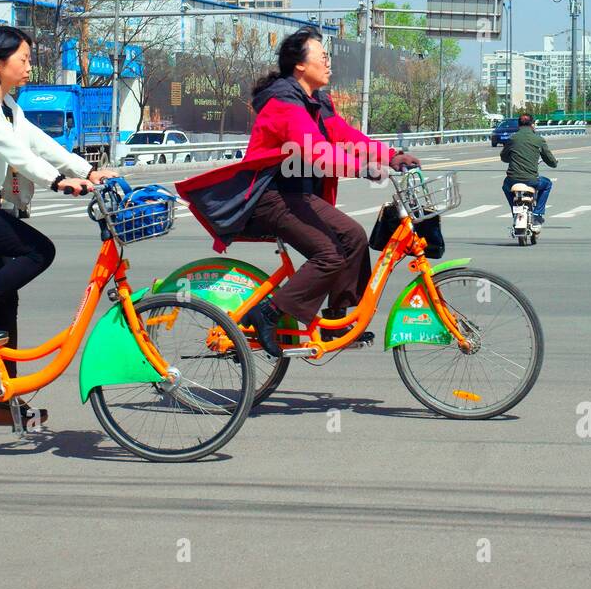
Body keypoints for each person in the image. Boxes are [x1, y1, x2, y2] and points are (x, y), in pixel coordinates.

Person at [177, 28, 419, 358]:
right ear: (300, 66)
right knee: (330, 253)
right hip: (269, 197)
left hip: (299, 197)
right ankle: (268, 314)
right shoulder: (283, 103)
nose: (328, 62)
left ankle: (336, 318)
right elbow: (316, 150)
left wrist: (389, 156)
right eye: (322, 56)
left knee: (354, 236)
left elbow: (344, 135)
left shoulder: (316, 100)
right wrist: (362, 168)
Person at [0, 25, 120, 425]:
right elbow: (14, 152)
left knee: (7, 299)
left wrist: (88, 170)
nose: (29, 66)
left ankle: (4, 402)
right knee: (39, 251)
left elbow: (37, 142)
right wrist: (56, 181)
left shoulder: (7, 105)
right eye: (24, 59)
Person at [501, 113, 557, 222]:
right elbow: (550, 160)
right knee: (547, 184)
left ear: (519, 125)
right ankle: (538, 213)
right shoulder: (538, 139)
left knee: (505, 186)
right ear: (532, 124)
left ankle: (514, 210)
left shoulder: (512, 138)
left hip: (512, 180)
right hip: (532, 181)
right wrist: (554, 163)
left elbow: (504, 157)